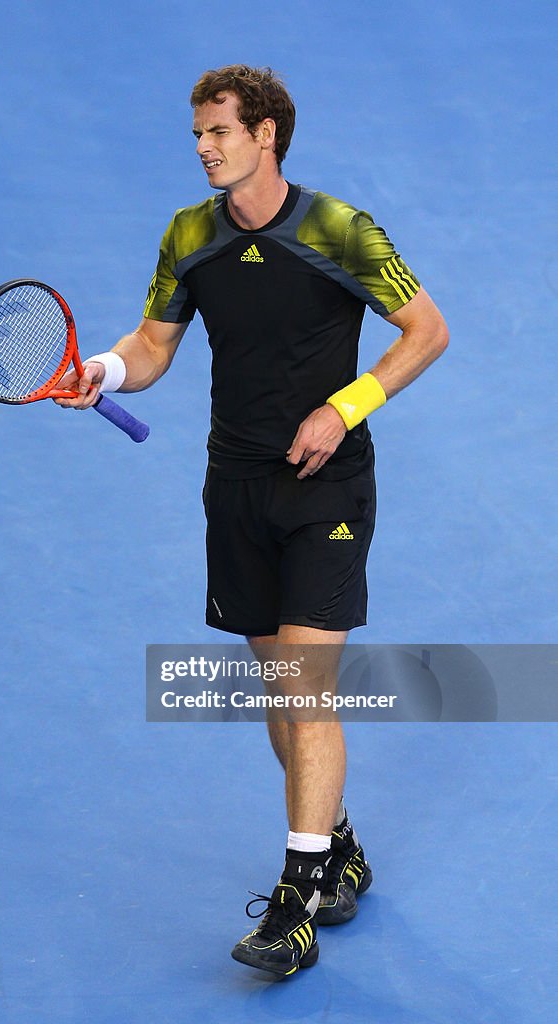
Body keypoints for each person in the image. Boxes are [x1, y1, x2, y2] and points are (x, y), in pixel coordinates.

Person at [55, 64, 448, 977]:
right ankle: (336, 844)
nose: (202, 147)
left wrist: (343, 407)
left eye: (218, 132)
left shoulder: (338, 229)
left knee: (306, 693)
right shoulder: (190, 234)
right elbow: (153, 343)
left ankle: (296, 902)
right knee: (282, 698)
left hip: (325, 490)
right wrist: (103, 374)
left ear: (265, 134)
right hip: (233, 487)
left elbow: (424, 329)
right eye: (197, 133)